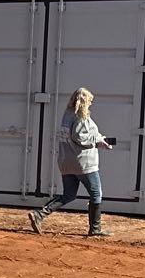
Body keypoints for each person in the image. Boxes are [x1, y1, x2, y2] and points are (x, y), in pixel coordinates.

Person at [29, 87, 114, 237]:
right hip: (84, 163)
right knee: (96, 194)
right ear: (84, 101)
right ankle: (95, 229)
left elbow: (80, 135)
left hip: (66, 162)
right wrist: (97, 140)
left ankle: (39, 214)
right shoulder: (81, 116)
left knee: (69, 194)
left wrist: (101, 140)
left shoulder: (67, 115)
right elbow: (80, 137)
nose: (91, 104)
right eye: (90, 101)